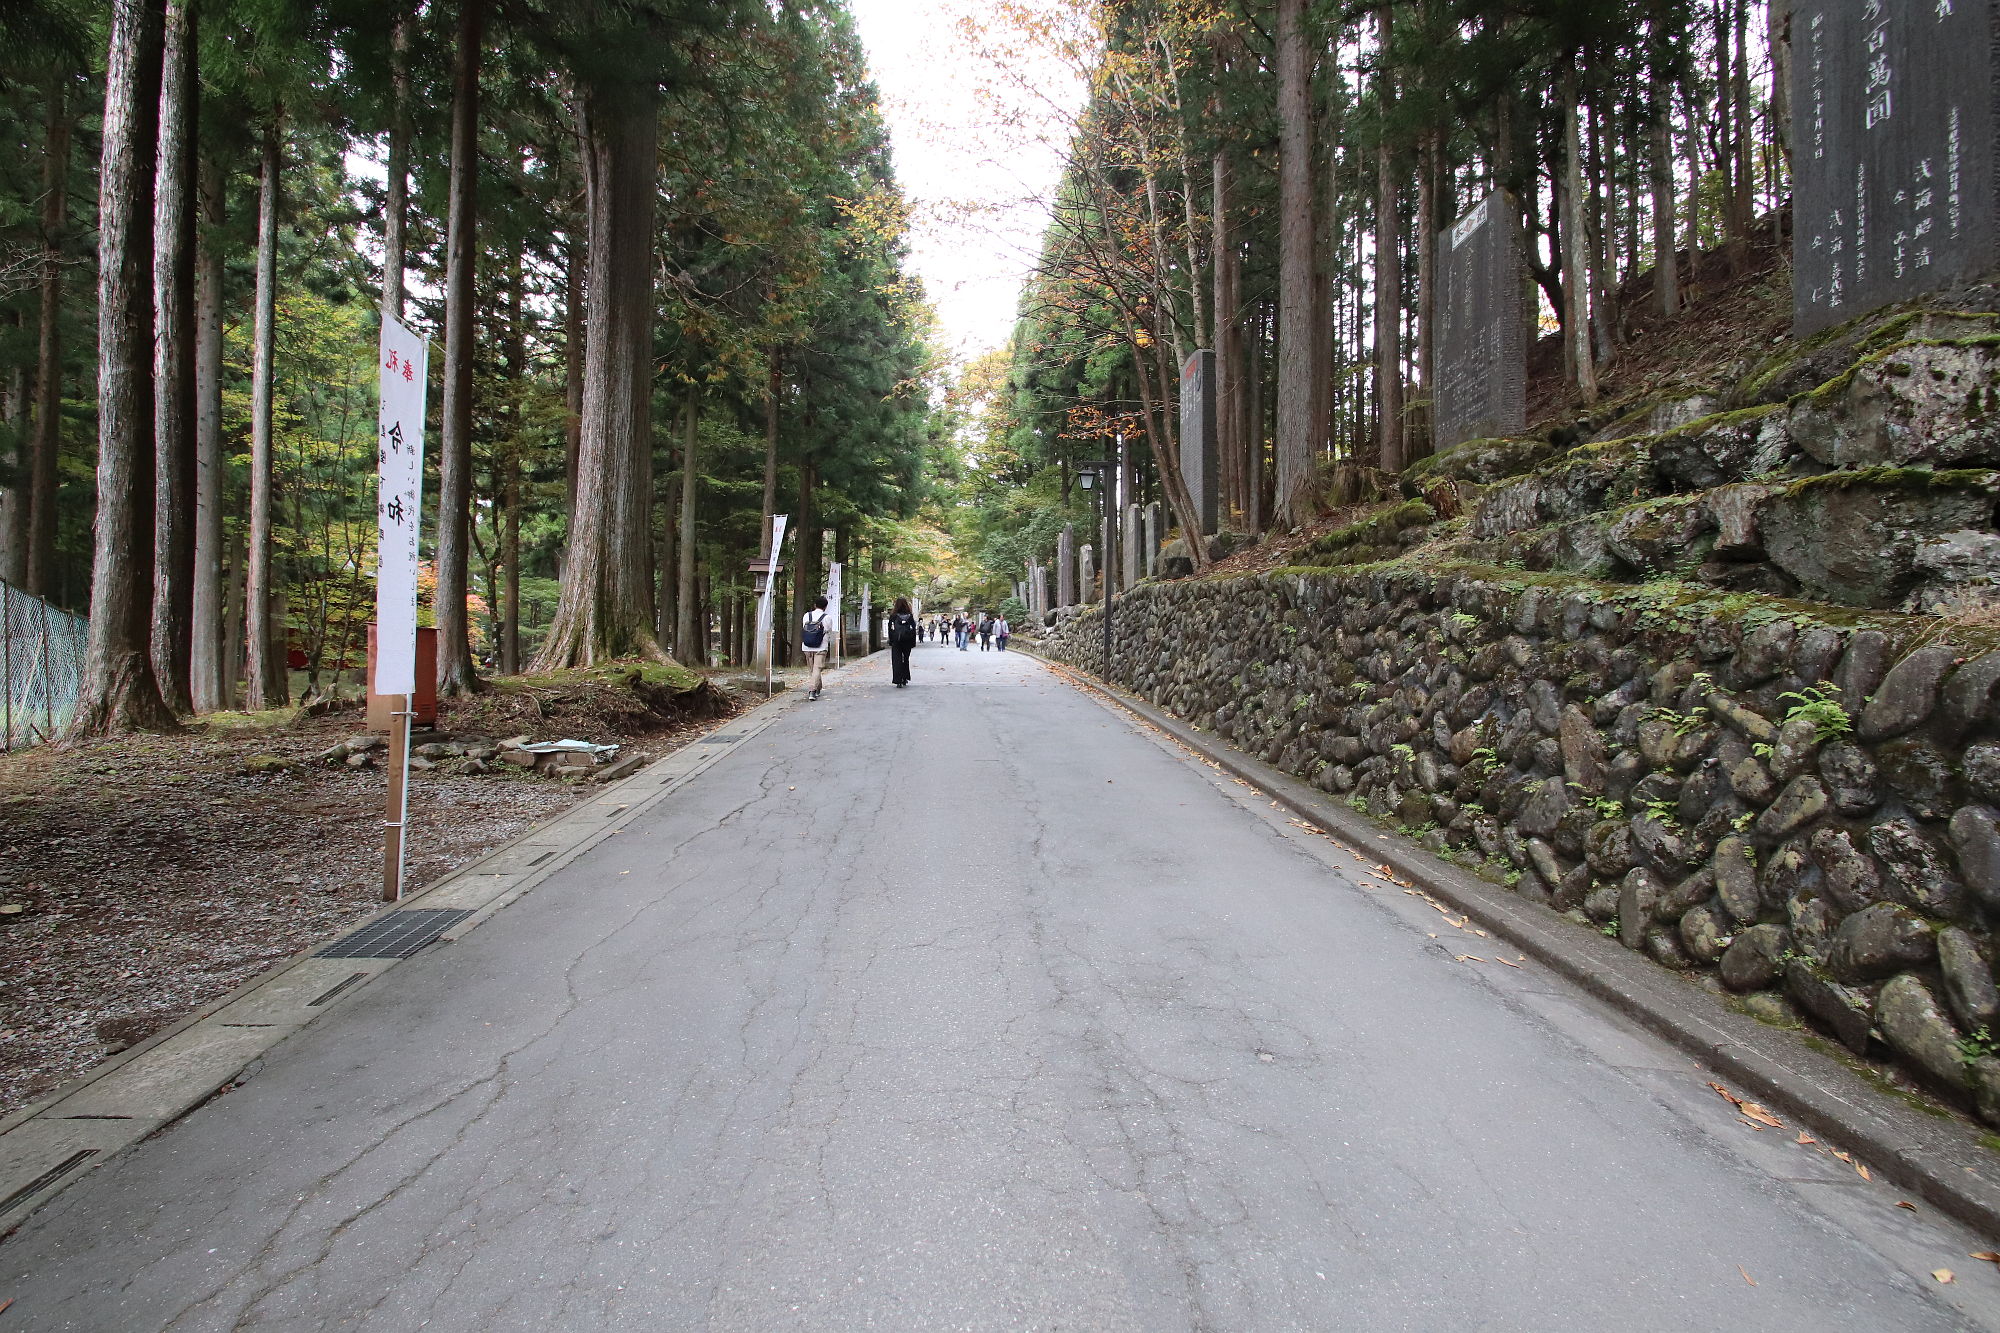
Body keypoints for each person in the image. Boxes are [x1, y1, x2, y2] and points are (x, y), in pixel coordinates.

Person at [801, 595, 832, 700]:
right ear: (825, 606)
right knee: (817, 668)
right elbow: (828, 630)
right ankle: (812, 691)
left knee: (812, 670)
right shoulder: (826, 617)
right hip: (821, 647)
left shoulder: (806, 615)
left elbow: (804, 627)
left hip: (807, 646)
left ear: (815, 605)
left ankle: (818, 688)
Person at [888, 597, 918, 687]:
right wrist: (913, 642)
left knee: (897, 659)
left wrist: (891, 640)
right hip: (907, 640)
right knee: (906, 659)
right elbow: (913, 629)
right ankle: (905, 677)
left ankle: (898, 679)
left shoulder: (893, 616)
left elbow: (890, 628)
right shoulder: (909, 616)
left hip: (896, 640)